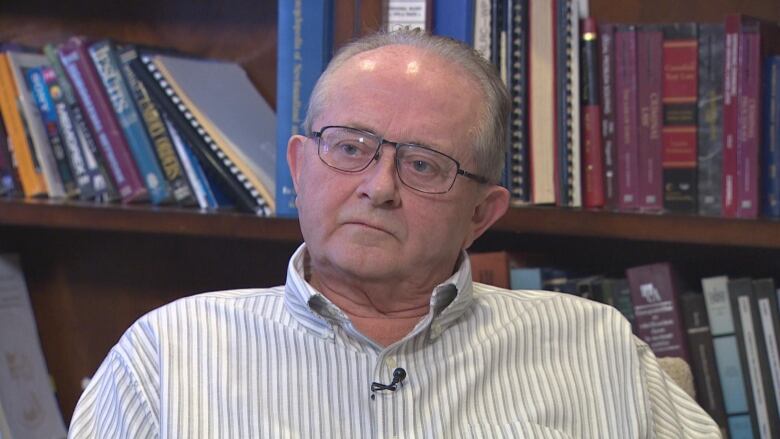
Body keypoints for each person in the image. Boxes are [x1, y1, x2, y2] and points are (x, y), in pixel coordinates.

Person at [69, 30, 721, 438]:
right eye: (350, 146)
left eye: (422, 165)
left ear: (482, 213)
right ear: (299, 166)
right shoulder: (167, 356)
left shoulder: (594, 348)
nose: (379, 186)